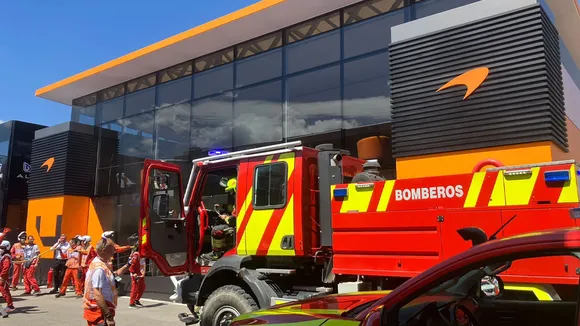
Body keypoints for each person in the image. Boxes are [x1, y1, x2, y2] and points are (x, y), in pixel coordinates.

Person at [83, 237, 132, 326]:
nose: (114, 250)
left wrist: (128, 265)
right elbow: (97, 294)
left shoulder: (102, 263)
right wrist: (109, 316)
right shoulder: (99, 269)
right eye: (112, 248)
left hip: (101, 309)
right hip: (99, 311)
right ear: (104, 250)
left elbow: (114, 274)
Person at [201, 177, 237, 262]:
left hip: (236, 226)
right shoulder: (241, 199)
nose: (232, 194)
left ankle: (216, 254)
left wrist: (225, 217)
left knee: (216, 230)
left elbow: (233, 221)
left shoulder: (240, 199)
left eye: (232, 192)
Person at [128, 243, 146, 308]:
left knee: (142, 287)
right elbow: (132, 264)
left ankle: (136, 300)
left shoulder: (141, 254)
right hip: (136, 274)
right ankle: (131, 303)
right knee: (135, 288)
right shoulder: (136, 254)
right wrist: (133, 273)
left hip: (141, 273)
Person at [0, 240, 14, 313]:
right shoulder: (3, 256)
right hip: (3, 276)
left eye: (2, 248)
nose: (1, 249)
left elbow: (6, 267)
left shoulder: (6, 257)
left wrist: (2, 277)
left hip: (4, 277)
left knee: (4, 291)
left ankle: (10, 306)